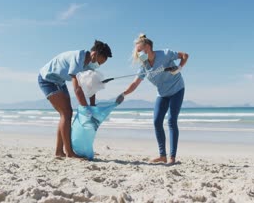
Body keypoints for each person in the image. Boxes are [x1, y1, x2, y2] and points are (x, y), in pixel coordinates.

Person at [117, 34, 188, 164]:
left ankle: (172, 157)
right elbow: (134, 84)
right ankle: (162, 156)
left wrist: (179, 68)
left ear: (148, 47)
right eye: (137, 52)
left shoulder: (165, 54)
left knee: (172, 120)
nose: (138, 54)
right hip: (162, 93)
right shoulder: (144, 66)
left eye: (140, 51)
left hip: (177, 89)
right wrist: (123, 94)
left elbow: (185, 55)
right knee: (156, 122)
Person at [38, 40, 112, 158]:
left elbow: (90, 86)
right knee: (66, 113)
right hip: (47, 79)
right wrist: (86, 110)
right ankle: (69, 152)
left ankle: (59, 152)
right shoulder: (78, 59)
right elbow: (77, 89)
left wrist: (92, 106)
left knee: (66, 114)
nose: (98, 65)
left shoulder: (90, 65)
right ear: (95, 54)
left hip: (59, 81)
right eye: (99, 61)